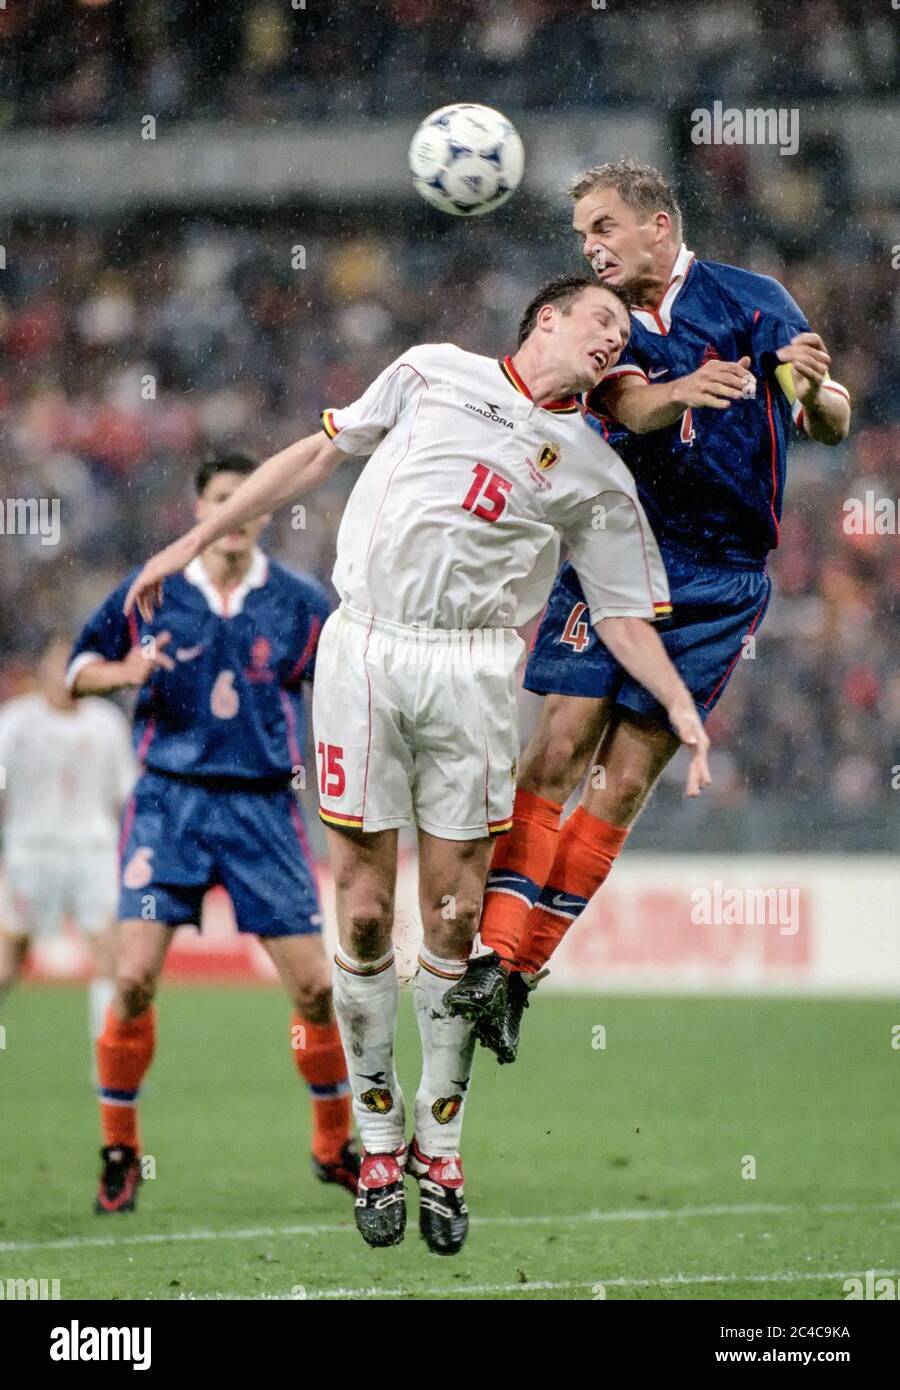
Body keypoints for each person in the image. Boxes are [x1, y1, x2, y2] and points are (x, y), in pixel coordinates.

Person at [124, 277, 710, 1254]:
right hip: (366, 647)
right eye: (603, 321)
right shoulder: (433, 371)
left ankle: (443, 1144)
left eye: (628, 332)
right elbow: (320, 449)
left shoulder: (597, 471)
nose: (617, 338)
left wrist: (685, 707)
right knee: (359, 913)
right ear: (548, 319)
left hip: (476, 670)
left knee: (450, 919)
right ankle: (378, 1133)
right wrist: (197, 536)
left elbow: (618, 615)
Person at [446, 159, 851, 1064]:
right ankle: (489, 953)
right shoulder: (608, 325)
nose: (590, 247)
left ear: (657, 226)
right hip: (615, 552)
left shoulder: (752, 300)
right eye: (583, 233)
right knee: (556, 748)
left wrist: (813, 392)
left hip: (725, 577)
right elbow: (627, 403)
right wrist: (685, 391)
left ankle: (519, 977)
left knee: (623, 785)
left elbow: (826, 414)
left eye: (602, 227)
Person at [68, 454, 357, 1213]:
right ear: (199, 509)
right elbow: (78, 670)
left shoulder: (297, 602)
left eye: (248, 500)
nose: (236, 512)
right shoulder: (152, 590)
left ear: (261, 511)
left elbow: (342, 690)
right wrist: (125, 671)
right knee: (131, 980)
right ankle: (120, 1150)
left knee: (317, 988)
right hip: (170, 807)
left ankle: (334, 1146)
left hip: (264, 811)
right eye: (222, 498)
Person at [0, 633, 135, 1052]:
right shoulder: (16, 721)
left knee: (109, 953)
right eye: (59, 665)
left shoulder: (106, 723)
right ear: (42, 670)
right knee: (9, 957)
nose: (66, 675)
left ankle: (108, 1058)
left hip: (93, 853)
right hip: (30, 851)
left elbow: (125, 795)